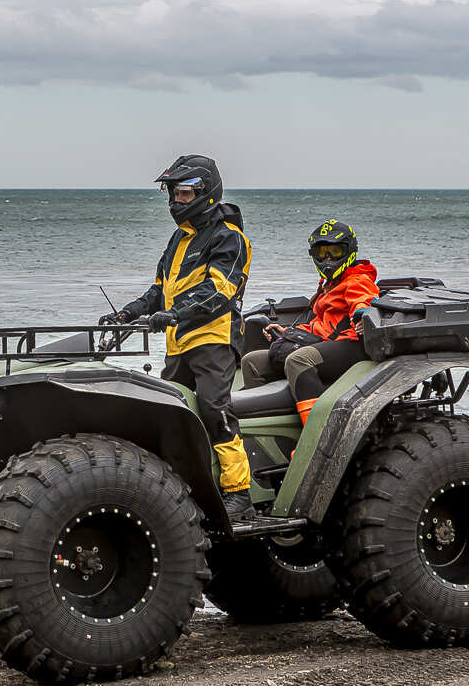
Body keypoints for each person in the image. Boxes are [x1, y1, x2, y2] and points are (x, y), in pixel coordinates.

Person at [101, 155, 254, 521]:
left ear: (206, 193)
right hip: (179, 342)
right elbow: (159, 290)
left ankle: (240, 492)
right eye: (172, 193)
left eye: (184, 194)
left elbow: (219, 291)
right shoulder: (179, 239)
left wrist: (176, 313)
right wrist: (129, 312)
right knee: (171, 415)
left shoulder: (230, 239)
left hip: (214, 340)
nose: (176, 201)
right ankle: (183, 488)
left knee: (214, 409)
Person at [240, 219, 379, 426]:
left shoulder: (357, 279)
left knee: (299, 360)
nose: (328, 259)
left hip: (351, 344)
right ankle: (273, 428)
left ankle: (317, 433)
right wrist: (287, 331)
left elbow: (364, 300)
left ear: (349, 251)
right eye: (322, 253)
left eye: (335, 251)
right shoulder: (328, 285)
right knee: (252, 362)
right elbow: (322, 324)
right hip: (324, 342)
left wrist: (362, 314)